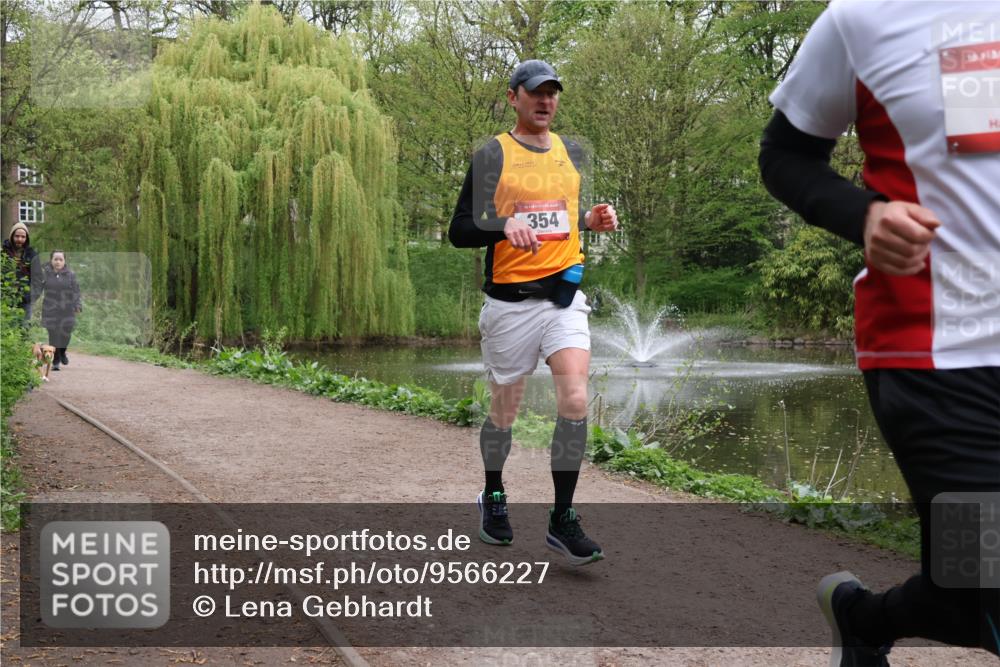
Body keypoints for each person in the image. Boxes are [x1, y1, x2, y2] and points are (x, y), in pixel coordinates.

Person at [758, 1, 999, 665]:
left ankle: (862, 618)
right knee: (990, 574)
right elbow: (783, 155)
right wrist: (864, 215)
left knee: (968, 586)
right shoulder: (863, 19)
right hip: (939, 358)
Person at [449, 59, 619, 566]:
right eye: (536, 93)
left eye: (553, 94)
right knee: (505, 411)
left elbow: (562, 218)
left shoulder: (571, 151)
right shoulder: (491, 155)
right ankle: (494, 495)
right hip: (511, 304)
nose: (546, 102)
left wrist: (590, 219)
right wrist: (503, 226)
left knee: (574, 397)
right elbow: (460, 229)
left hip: (563, 297)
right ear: (513, 98)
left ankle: (562, 518)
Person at [34, 250, 81, 371]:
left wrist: (77, 305)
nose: (58, 262)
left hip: (67, 309)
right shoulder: (45, 274)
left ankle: (62, 352)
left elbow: (76, 291)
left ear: (64, 261)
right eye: (55, 259)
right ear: (51, 260)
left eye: (60, 259)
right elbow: (38, 289)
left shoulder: (70, 274)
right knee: (54, 334)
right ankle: (55, 361)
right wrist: (31, 299)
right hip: (50, 308)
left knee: (66, 334)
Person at [2, 221, 39, 321]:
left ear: (26, 238)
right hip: (5, 298)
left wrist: (31, 296)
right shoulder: (3, 253)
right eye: (17, 236)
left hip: (25, 299)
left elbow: (38, 279)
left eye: (23, 237)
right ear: (12, 236)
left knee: (24, 329)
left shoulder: (32, 255)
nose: (20, 239)